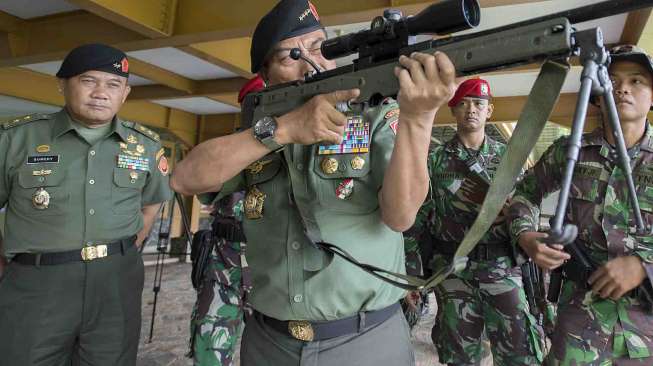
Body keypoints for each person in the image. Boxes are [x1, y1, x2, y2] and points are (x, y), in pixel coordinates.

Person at [171, 0, 457, 364]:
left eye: (319, 46)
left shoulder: (374, 116)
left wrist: (419, 117)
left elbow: (400, 217)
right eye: (291, 55)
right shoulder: (260, 134)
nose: (311, 61)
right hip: (269, 342)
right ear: (266, 75)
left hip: (366, 340)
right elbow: (184, 178)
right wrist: (284, 129)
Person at [0, 43, 172, 366]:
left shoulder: (145, 146)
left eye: (113, 84)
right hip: (36, 284)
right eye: (89, 81)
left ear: (125, 93)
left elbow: (151, 206)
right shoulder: (15, 140)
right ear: (62, 84)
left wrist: (125, 251)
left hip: (115, 283)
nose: (101, 93)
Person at [508, 44, 653, 365]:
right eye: (612, 80)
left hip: (646, 323)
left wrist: (644, 265)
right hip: (580, 317)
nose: (623, 89)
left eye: (637, 81)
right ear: (598, 95)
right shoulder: (569, 151)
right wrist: (525, 235)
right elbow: (524, 195)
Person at [407, 78, 544, 365]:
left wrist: (518, 218)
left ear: (489, 111)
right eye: (464, 104)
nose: (471, 109)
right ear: (453, 110)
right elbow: (417, 218)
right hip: (453, 269)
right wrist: (412, 273)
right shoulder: (434, 160)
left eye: (479, 104)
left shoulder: (510, 157)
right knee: (458, 355)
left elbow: (528, 203)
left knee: (520, 352)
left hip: (502, 268)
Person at [188, 77, 263, 366]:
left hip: (274, 273)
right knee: (209, 351)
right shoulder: (226, 150)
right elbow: (194, 183)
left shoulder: (302, 146)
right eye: (255, 103)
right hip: (224, 268)